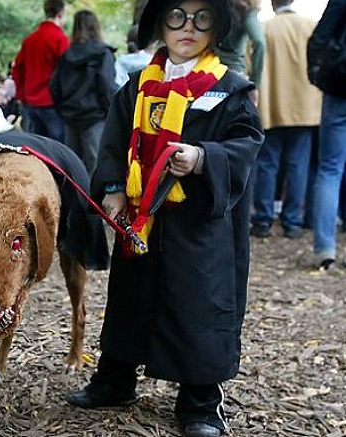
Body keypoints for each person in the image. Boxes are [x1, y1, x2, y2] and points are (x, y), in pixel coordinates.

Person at [66, 1, 264, 437]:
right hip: (143, 222)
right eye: (177, 16)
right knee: (129, 300)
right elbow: (115, 140)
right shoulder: (138, 85)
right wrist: (114, 189)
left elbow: (247, 143)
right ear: (160, 25)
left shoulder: (228, 89)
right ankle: (115, 381)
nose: (188, 27)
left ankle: (201, 404)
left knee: (197, 304)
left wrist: (202, 158)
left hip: (197, 226)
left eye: (202, 18)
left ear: (217, 27)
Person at [251, 0, 321, 239]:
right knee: (298, 165)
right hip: (305, 107)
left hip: (271, 106)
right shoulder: (311, 25)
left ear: (272, 4)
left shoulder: (263, 29)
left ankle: (263, 220)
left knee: (267, 165)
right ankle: (292, 222)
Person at [50, 9, 117, 175]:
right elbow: (107, 85)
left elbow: (54, 86)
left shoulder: (66, 56)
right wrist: (109, 111)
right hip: (95, 117)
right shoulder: (103, 54)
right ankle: (93, 199)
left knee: (71, 164)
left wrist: (63, 109)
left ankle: (74, 199)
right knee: (96, 163)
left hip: (71, 116)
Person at [307, 0, 346, 270]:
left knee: (330, 168)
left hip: (340, 87)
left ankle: (325, 249)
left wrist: (316, 77)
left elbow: (319, 38)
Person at [12, 0, 69, 143]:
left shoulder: (30, 40)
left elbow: (17, 68)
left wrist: (21, 95)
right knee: (58, 148)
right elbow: (67, 72)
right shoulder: (60, 39)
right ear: (61, 14)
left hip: (31, 103)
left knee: (38, 147)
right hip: (52, 103)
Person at [215, 0, 265, 104]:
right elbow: (259, 43)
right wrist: (254, 82)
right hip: (235, 73)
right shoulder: (246, 12)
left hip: (211, 71)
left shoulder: (216, 7)